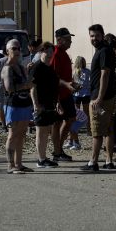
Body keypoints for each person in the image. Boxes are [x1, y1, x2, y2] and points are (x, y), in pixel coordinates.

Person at [81, 24, 116, 172]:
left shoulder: (103, 51)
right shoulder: (103, 50)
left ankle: (93, 162)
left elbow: (105, 74)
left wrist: (99, 98)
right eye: (91, 36)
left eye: (96, 35)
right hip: (107, 96)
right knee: (108, 130)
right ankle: (109, 161)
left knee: (96, 131)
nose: (94, 38)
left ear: (102, 35)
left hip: (100, 97)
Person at [1, 39, 33, 174]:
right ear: (7, 51)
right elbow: (8, 88)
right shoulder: (7, 68)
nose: (17, 51)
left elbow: (28, 82)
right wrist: (25, 85)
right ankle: (10, 165)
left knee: (21, 134)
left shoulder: (20, 67)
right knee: (13, 134)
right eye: (14, 48)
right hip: (13, 105)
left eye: (19, 48)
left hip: (24, 103)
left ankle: (19, 164)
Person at [30, 42, 61, 168]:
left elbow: (55, 87)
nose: (49, 54)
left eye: (51, 52)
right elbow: (32, 87)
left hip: (50, 104)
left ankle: (43, 157)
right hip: (41, 104)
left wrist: (58, 102)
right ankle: (41, 159)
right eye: (46, 52)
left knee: (46, 131)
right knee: (40, 131)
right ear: (40, 52)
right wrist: (36, 104)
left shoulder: (50, 68)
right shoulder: (37, 67)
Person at [51, 27, 77, 162]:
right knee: (57, 122)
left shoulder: (64, 53)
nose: (70, 42)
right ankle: (57, 151)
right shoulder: (56, 53)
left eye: (70, 39)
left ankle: (58, 149)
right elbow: (54, 77)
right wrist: (57, 101)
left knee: (70, 119)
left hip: (67, 94)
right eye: (68, 39)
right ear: (59, 40)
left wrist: (72, 83)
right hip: (59, 95)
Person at [69, 56, 91, 149]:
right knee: (85, 113)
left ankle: (79, 130)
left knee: (77, 114)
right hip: (84, 93)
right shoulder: (87, 71)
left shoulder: (74, 71)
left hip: (78, 94)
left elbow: (72, 82)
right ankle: (88, 130)